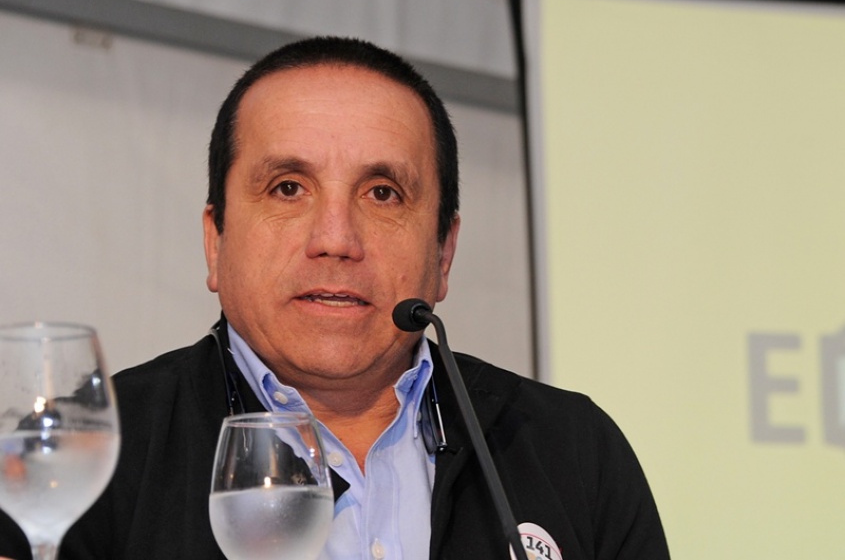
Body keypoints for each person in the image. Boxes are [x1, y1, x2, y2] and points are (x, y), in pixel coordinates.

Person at [0, 36, 669, 559]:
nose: (335, 239)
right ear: (215, 240)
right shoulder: (79, 458)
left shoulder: (572, 450)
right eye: (288, 188)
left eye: (382, 193)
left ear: (443, 253)